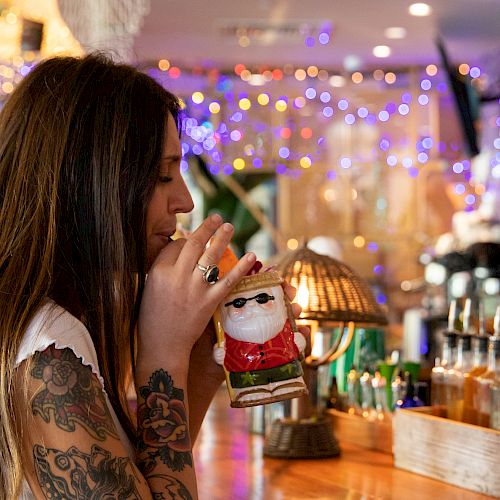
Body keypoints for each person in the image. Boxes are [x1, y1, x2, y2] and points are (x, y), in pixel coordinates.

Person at [0, 54, 305, 499]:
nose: (184, 201)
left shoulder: (51, 321)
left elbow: (153, 487)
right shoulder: (48, 350)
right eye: (162, 175)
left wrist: (197, 363)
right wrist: (161, 354)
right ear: (88, 183)